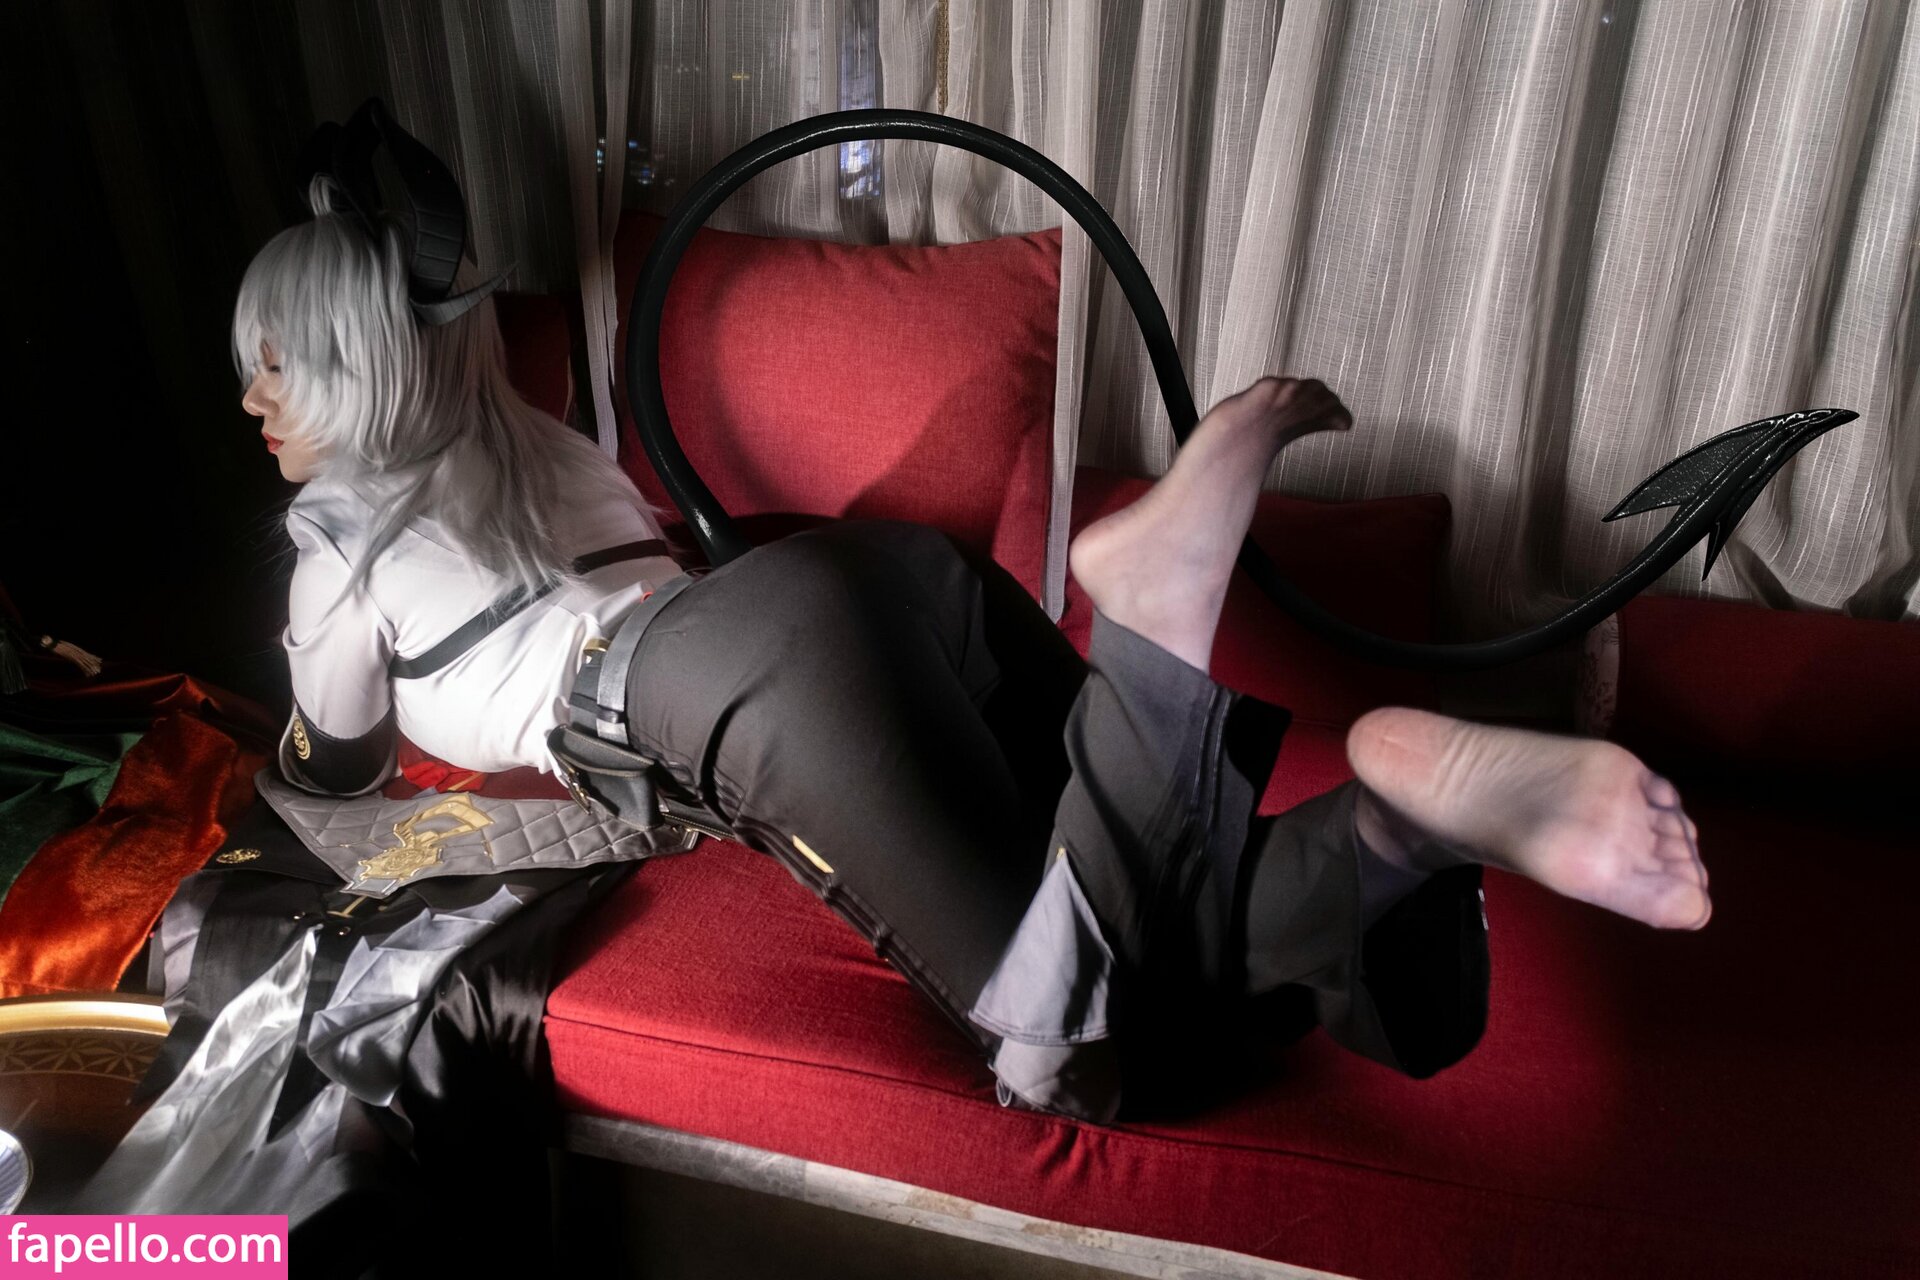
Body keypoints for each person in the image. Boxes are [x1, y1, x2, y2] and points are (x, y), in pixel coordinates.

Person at [238, 173, 1710, 1124]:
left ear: (356, 370)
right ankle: (1400, 823)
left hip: (731, 678)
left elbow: (338, 767)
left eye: (273, 368)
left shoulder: (338, 546)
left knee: (1064, 1051)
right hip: (869, 583)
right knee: (1157, 906)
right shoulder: (541, 447)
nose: (252, 401)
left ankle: (1154, 628)